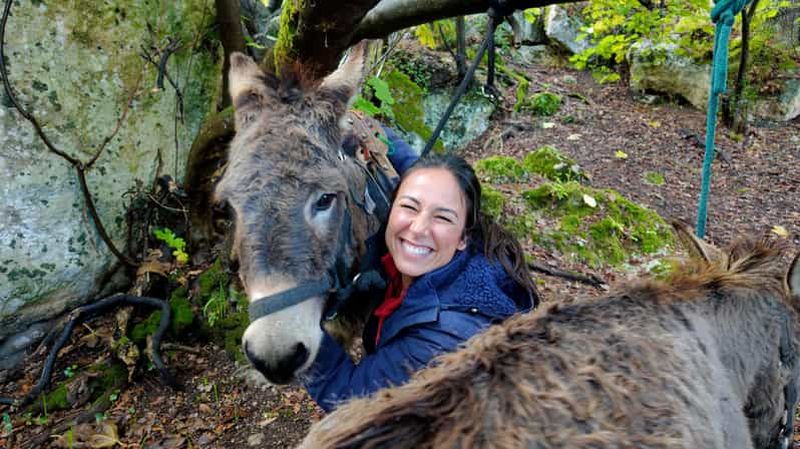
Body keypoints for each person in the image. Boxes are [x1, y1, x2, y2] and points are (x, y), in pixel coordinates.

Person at [303, 146, 538, 412]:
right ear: (392, 207)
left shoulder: (443, 336)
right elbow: (418, 169)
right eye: (410, 206)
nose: (418, 228)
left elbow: (348, 396)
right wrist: (376, 132)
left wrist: (296, 320)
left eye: (442, 217)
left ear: (463, 237)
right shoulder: (456, 259)